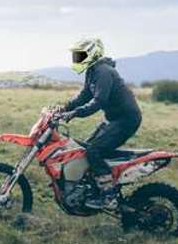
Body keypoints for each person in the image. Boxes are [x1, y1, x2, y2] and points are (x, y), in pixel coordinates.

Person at [55, 37, 142, 209]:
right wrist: (63, 109)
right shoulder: (92, 72)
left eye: (80, 56)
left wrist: (75, 113)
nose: (77, 59)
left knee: (94, 151)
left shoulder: (103, 71)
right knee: (85, 149)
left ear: (92, 54)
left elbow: (98, 101)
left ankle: (109, 195)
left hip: (126, 120)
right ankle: (91, 187)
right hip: (114, 119)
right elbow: (83, 97)